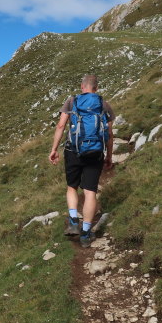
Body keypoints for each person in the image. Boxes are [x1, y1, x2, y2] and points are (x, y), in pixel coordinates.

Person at [48, 75, 114, 247]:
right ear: (96, 88)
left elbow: (61, 126)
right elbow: (109, 134)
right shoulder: (103, 105)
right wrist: (108, 157)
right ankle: (85, 234)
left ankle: (73, 220)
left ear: (82, 86)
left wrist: (54, 149)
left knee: (72, 187)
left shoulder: (72, 102)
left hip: (73, 151)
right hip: (96, 152)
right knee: (90, 192)